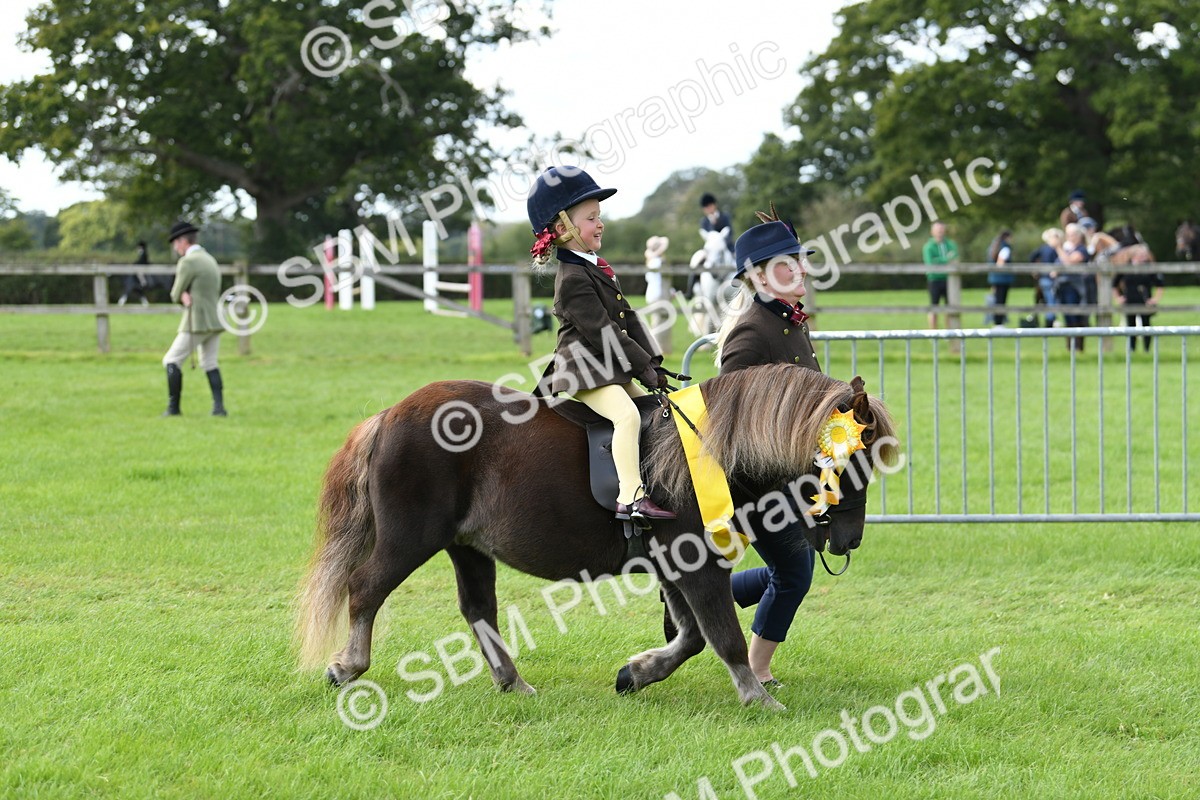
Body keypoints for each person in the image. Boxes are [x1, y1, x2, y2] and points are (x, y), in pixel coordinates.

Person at [692, 218, 821, 687]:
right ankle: (757, 670)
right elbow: (732, 422)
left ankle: (697, 595)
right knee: (793, 572)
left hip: (787, 475)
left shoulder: (790, 322)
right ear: (760, 278)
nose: (801, 270)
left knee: (788, 569)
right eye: (788, 264)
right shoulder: (750, 335)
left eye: (801, 259)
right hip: (753, 482)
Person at [528, 166, 677, 522]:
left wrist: (653, 364)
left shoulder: (595, 267)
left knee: (657, 414)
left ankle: (659, 482)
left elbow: (629, 317)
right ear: (563, 229)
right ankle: (631, 497)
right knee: (626, 417)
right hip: (583, 371)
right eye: (591, 218)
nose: (600, 223)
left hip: (606, 366)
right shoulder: (573, 280)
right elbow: (605, 332)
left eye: (600, 216)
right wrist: (641, 368)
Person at [161, 220, 226, 416]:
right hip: (215, 320)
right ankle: (219, 408)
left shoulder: (188, 262)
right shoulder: (209, 259)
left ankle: (174, 408)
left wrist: (182, 296)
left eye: (175, 242)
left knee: (171, 360)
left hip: (196, 321)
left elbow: (175, 294)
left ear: (183, 241)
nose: (175, 247)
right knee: (210, 363)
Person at [1112, 257, 1165, 352]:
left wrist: (1155, 299)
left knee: (1146, 325)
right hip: (1130, 302)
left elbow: (1160, 284)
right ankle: (1132, 350)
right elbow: (1114, 284)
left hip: (1144, 302)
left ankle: (1146, 350)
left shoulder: (1148, 269)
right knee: (1130, 325)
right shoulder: (1126, 268)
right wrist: (1118, 298)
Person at [1053, 222, 1091, 352]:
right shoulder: (1067, 249)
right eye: (1068, 234)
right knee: (1067, 316)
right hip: (1062, 287)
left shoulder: (1081, 250)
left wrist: (1058, 247)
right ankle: (1070, 347)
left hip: (1075, 288)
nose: (1070, 237)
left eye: (1073, 234)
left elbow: (1069, 262)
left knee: (1076, 317)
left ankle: (1078, 347)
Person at [691, 193, 735, 297]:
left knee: (741, 258)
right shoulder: (704, 221)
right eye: (706, 207)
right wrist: (712, 223)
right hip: (710, 249)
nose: (708, 209)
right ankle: (692, 286)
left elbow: (730, 232)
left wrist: (723, 243)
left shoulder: (725, 216)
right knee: (696, 260)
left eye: (709, 206)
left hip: (727, 246)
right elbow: (708, 236)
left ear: (714, 205)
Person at [922, 221, 959, 329]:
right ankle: (933, 333)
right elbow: (930, 263)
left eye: (942, 230)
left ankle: (950, 332)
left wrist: (940, 260)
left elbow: (955, 258)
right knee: (934, 308)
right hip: (934, 279)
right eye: (938, 230)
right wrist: (946, 259)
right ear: (932, 232)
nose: (940, 233)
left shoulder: (951, 244)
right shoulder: (928, 247)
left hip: (949, 279)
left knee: (950, 308)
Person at [1029, 228, 1062, 327]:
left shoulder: (1043, 248)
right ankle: (1050, 321)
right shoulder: (1054, 249)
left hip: (1046, 278)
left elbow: (1032, 257)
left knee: (1050, 300)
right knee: (1051, 300)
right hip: (1049, 278)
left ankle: (1051, 320)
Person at [986, 229, 1015, 326]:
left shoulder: (994, 245)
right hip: (1003, 278)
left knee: (997, 300)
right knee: (1001, 301)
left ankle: (997, 322)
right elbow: (1000, 262)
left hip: (994, 278)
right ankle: (999, 323)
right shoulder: (1005, 247)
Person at [118, 241, 151, 307]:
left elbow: (141, 261)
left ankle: (143, 281)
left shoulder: (144, 254)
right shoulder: (142, 254)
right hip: (141, 266)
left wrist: (134, 264)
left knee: (139, 273)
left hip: (143, 268)